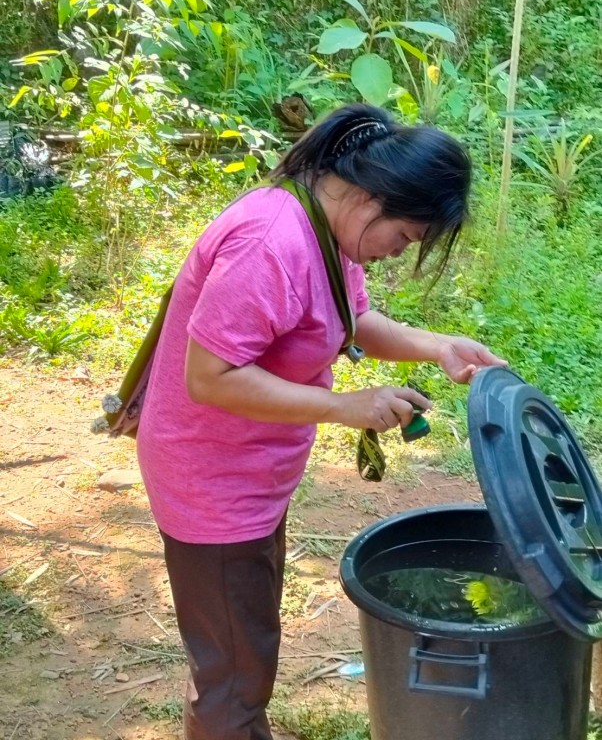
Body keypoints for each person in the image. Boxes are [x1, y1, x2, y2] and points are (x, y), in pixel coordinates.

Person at [136, 103, 506, 740]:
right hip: (212, 479)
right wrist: (346, 407)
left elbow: (350, 320)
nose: (398, 252)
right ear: (371, 200)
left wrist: (438, 345)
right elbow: (210, 377)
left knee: (244, 637)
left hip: (250, 471)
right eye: (406, 237)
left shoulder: (325, 232)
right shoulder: (269, 243)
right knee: (233, 671)